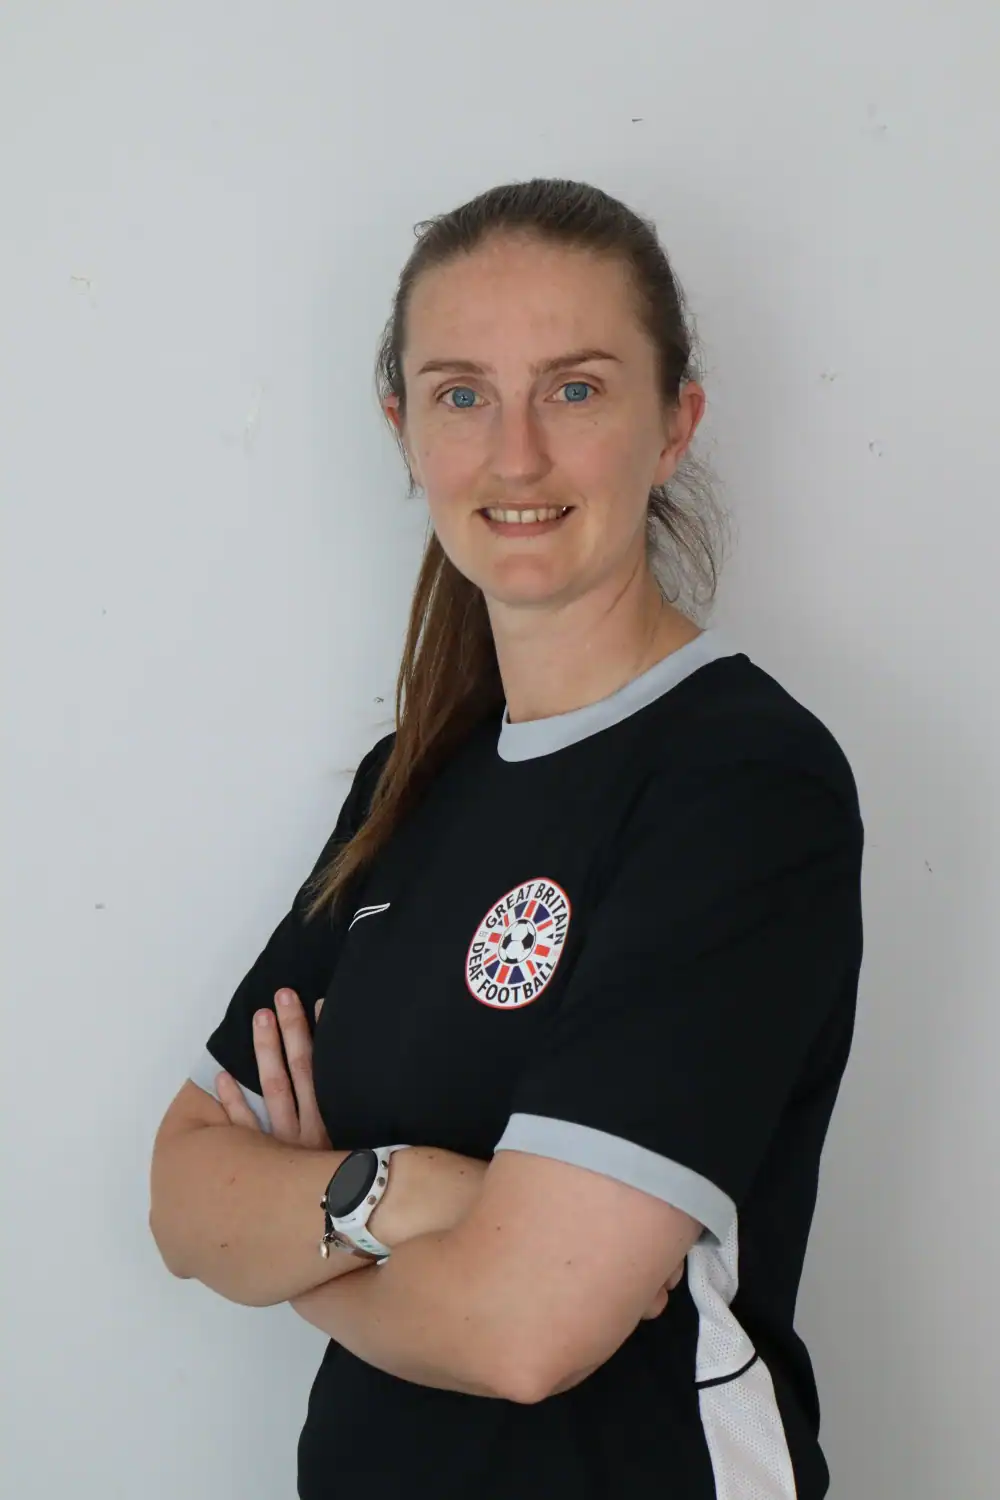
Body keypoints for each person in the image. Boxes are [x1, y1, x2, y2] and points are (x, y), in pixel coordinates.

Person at [149, 177, 864, 1500]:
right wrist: (404, 1192)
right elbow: (184, 1198)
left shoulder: (742, 786)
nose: (515, 455)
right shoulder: (408, 782)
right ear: (404, 431)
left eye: (576, 389)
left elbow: (526, 1332)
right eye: (462, 394)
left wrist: (307, 1244)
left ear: (675, 424)